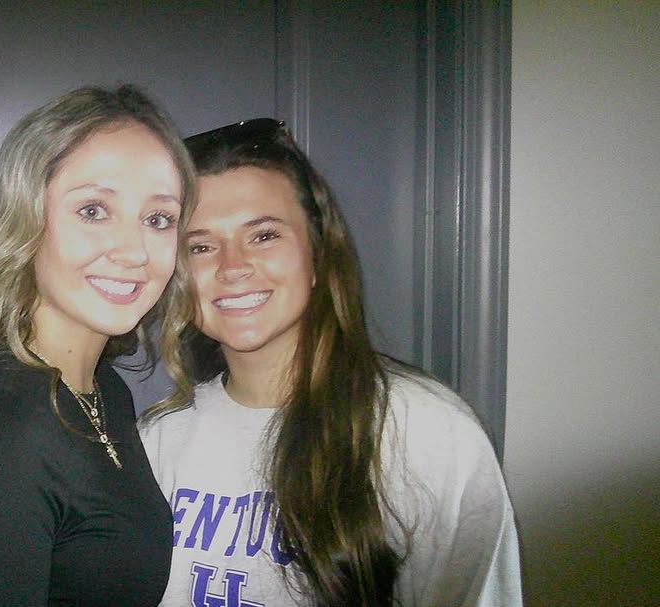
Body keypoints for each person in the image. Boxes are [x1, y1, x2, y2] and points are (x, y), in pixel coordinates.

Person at [139, 119, 522, 606]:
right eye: (200, 246)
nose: (232, 267)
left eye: (264, 236)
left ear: (318, 254)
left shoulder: (426, 432)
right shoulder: (158, 439)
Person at [0, 85, 196, 606]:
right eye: (93, 210)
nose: (135, 251)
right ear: (24, 222)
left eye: (158, 219)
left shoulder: (103, 390)